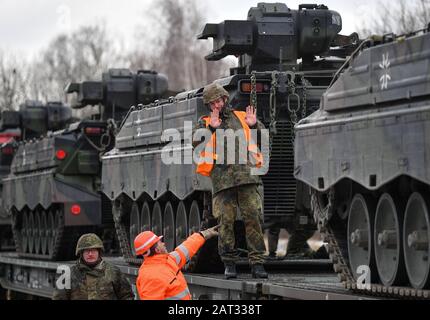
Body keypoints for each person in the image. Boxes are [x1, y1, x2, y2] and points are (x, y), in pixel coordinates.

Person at [194, 82, 268, 279]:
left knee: (253, 219)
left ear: (225, 99)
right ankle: (229, 263)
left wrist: (255, 126)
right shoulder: (204, 122)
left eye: (219, 100)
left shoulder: (243, 117)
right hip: (222, 181)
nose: (217, 104)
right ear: (209, 106)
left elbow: (263, 139)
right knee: (225, 223)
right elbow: (196, 143)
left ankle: (257, 263)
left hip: (247, 177)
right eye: (213, 102)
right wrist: (211, 127)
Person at [134, 225, 219, 300]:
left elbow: (185, 249)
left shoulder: (167, 260)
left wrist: (203, 234)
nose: (163, 243)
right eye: (159, 242)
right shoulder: (151, 277)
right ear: (157, 249)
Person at [52, 233, 134, 300]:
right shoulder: (68, 275)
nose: (90, 254)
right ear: (81, 253)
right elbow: (58, 298)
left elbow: (127, 296)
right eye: (87, 251)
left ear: (99, 252)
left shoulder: (113, 272)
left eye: (94, 250)